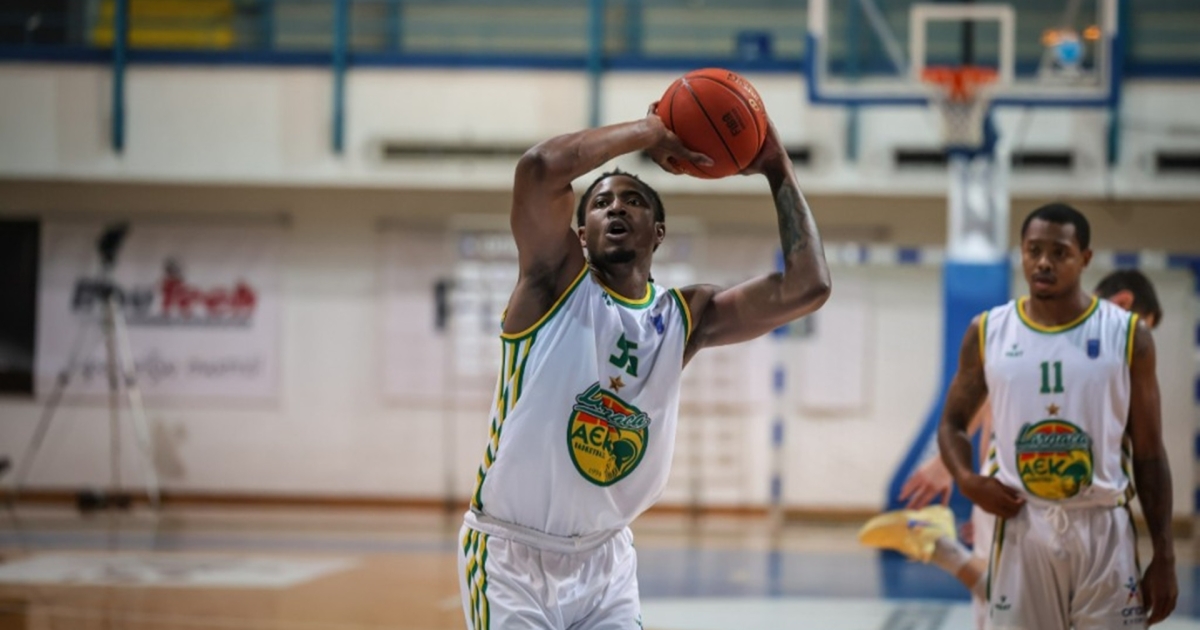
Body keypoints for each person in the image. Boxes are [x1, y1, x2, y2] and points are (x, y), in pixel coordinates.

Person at [457, 108, 831, 629]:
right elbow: (539, 168)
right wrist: (650, 131)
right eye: (600, 202)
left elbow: (809, 286)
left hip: (605, 560)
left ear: (657, 233)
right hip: (511, 556)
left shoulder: (685, 316)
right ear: (581, 234)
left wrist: (776, 165)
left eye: (632, 200)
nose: (615, 206)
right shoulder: (551, 284)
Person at [860, 268, 1167, 629]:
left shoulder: (1087, 339)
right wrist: (955, 469)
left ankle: (943, 547)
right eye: (1145, 325)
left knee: (1012, 605)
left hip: (1058, 501)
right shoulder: (1062, 332)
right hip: (1018, 493)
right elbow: (986, 399)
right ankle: (943, 547)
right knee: (999, 609)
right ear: (1124, 303)